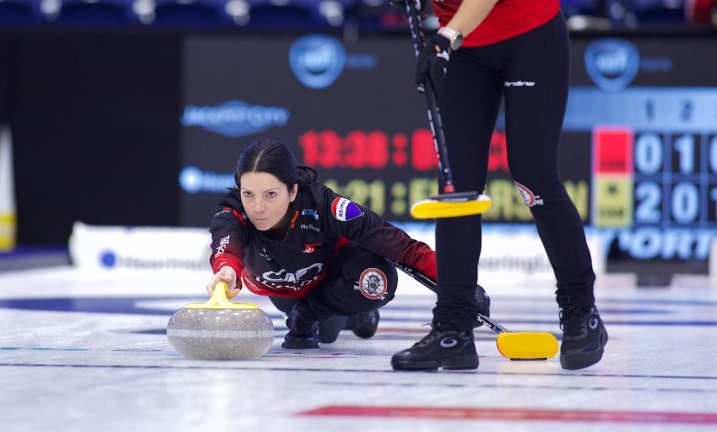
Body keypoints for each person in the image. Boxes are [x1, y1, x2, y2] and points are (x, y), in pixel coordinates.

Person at [391, 0, 608, 370]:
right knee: (456, 190)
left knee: (534, 177)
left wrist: (444, 39)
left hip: (528, 34)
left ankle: (580, 312)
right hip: (465, 48)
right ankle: (453, 328)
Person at [208, 138, 489, 349]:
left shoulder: (325, 206)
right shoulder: (233, 212)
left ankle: (321, 311)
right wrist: (226, 271)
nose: (257, 207)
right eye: (248, 194)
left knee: (375, 281)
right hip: (284, 292)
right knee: (327, 333)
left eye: (270, 194)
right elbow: (226, 243)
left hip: (336, 280)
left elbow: (401, 247)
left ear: (293, 190)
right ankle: (357, 319)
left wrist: (459, 288)